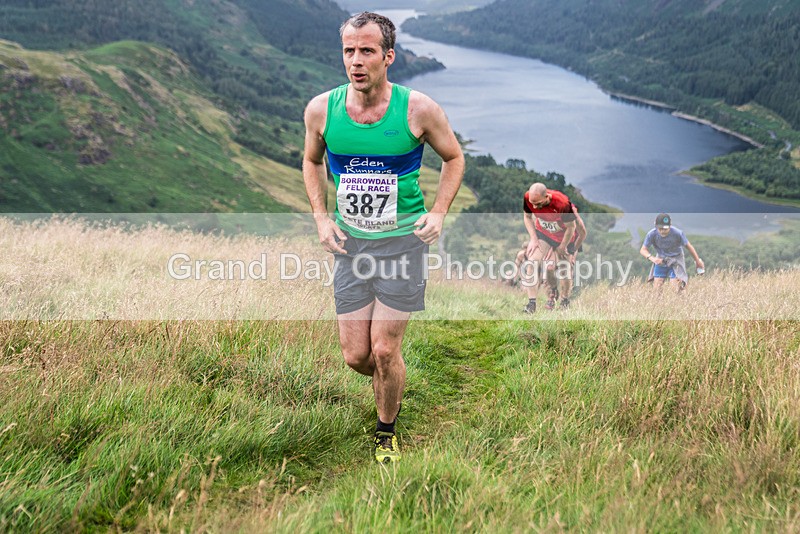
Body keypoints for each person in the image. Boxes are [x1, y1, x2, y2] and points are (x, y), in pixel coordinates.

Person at [302, 12, 464, 464]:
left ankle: (386, 429)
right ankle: (390, 382)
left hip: (403, 245)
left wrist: (438, 213)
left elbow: (454, 158)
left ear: (389, 56)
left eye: (367, 51)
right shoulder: (322, 110)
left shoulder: (418, 109)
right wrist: (322, 219)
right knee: (357, 355)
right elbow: (311, 161)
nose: (356, 61)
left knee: (385, 348)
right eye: (349, 51)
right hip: (350, 246)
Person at [521, 183, 586, 313]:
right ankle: (532, 304)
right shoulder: (528, 197)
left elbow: (572, 228)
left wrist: (565, 248)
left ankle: (564, 300)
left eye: (538, 204)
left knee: (564, 270)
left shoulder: (562, 204)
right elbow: (527, 217)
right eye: (533, 204)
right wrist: (533, 238)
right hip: (544, 234)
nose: (535, 207)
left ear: (547, 197)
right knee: (532, 262)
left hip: (565, 238)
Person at [640, 213, 705, 291]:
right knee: (656, 288)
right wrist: (653, 259)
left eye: (665, 229)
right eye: (660, 229)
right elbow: (643, 250)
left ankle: (681, 296)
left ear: (670, 225)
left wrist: (697, 261)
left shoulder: (678, 233)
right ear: (655, 225)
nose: (662, 231)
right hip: (660, 259)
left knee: (675, 287)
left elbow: (689, 247)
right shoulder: (651, 234)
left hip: (676, 259)